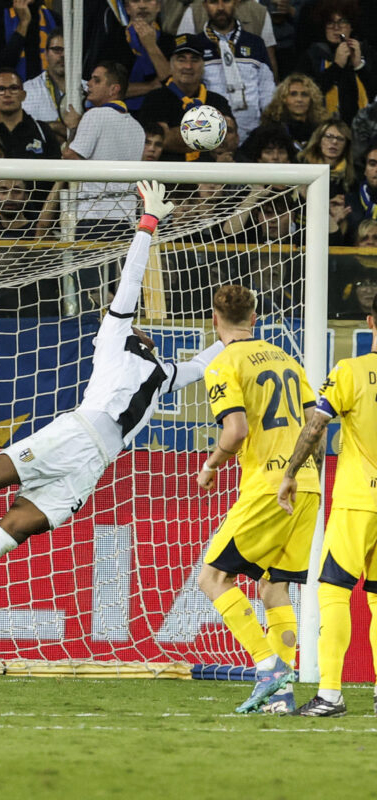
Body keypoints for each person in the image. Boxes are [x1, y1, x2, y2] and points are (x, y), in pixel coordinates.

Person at [0, 181, 224, 631]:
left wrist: (238, 338)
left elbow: (205, 362)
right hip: (75, 434)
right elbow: (129, 280)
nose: (140, 328)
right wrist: (149, 224)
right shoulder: (112, 338)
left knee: (18, 528)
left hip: (96, 463)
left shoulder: (164, 374)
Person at [196, 284, 320, 714]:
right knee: (274, 586)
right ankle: (281, 696)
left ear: (214, 319)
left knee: (212, 578)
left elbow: (236, 431)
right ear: (255, 318)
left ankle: (267, 667)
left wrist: (211, 464)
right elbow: (314, 426)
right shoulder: (287, 358)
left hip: (268, 486)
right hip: (307, 485)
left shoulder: (223, 362)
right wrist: (306, 473)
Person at [276, 293, 377, 716]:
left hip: (358, 499)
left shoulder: (350, 371)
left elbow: (316, 426)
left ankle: (330, 693)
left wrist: (290, 472)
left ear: (371, 322)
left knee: (334, 590)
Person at [63, 61, 145, 239]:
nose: (89, 84)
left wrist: (73, 128)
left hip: (94, 218)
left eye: (96, 80)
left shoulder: (94, 115)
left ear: (113, 89)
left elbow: (70, 158)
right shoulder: (138, 128)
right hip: (127, 222)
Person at [138, 34, 233, 161]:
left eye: (194, 60)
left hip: (208, 175)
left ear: (203, 65)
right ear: (171, 65)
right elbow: (163, 140)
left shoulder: (218, 101)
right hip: (167, 174)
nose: (188, 66)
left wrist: (177, 134)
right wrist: (210, 132)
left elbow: (229, 141)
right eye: (181, 60)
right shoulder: (155, 99)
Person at [194, 0, 274, 141]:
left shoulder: (255, 43)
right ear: (204, 5)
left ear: (236, 3)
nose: (220, 7)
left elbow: (267, 90)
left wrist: (267, 128)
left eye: (226, 1)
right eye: (213, 2)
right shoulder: (195, 45)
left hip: (253, 134)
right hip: (210, 133)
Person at [296, 0, 376, 127]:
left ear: (351, 26)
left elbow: (374, 94)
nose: (336, 28)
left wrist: (359, 66)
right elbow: (305, 95)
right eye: (330, 22)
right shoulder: (312, 55)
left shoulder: (366, 52)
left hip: (363, 131)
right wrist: (337, 66)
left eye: (342, 22)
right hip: (323, 130)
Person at [260, 73, 329, 156]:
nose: (299, 99)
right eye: (293, 94)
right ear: (283, 98)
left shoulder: (322, 130)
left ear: (312, 100)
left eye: (304, 94)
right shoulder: (268, 129)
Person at [299, 119, 355, 191]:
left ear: (346, 145)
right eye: (329, 136)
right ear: (319, 140)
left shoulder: (352, 175)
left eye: (340, 139)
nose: (334, 142)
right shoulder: (302, 164)